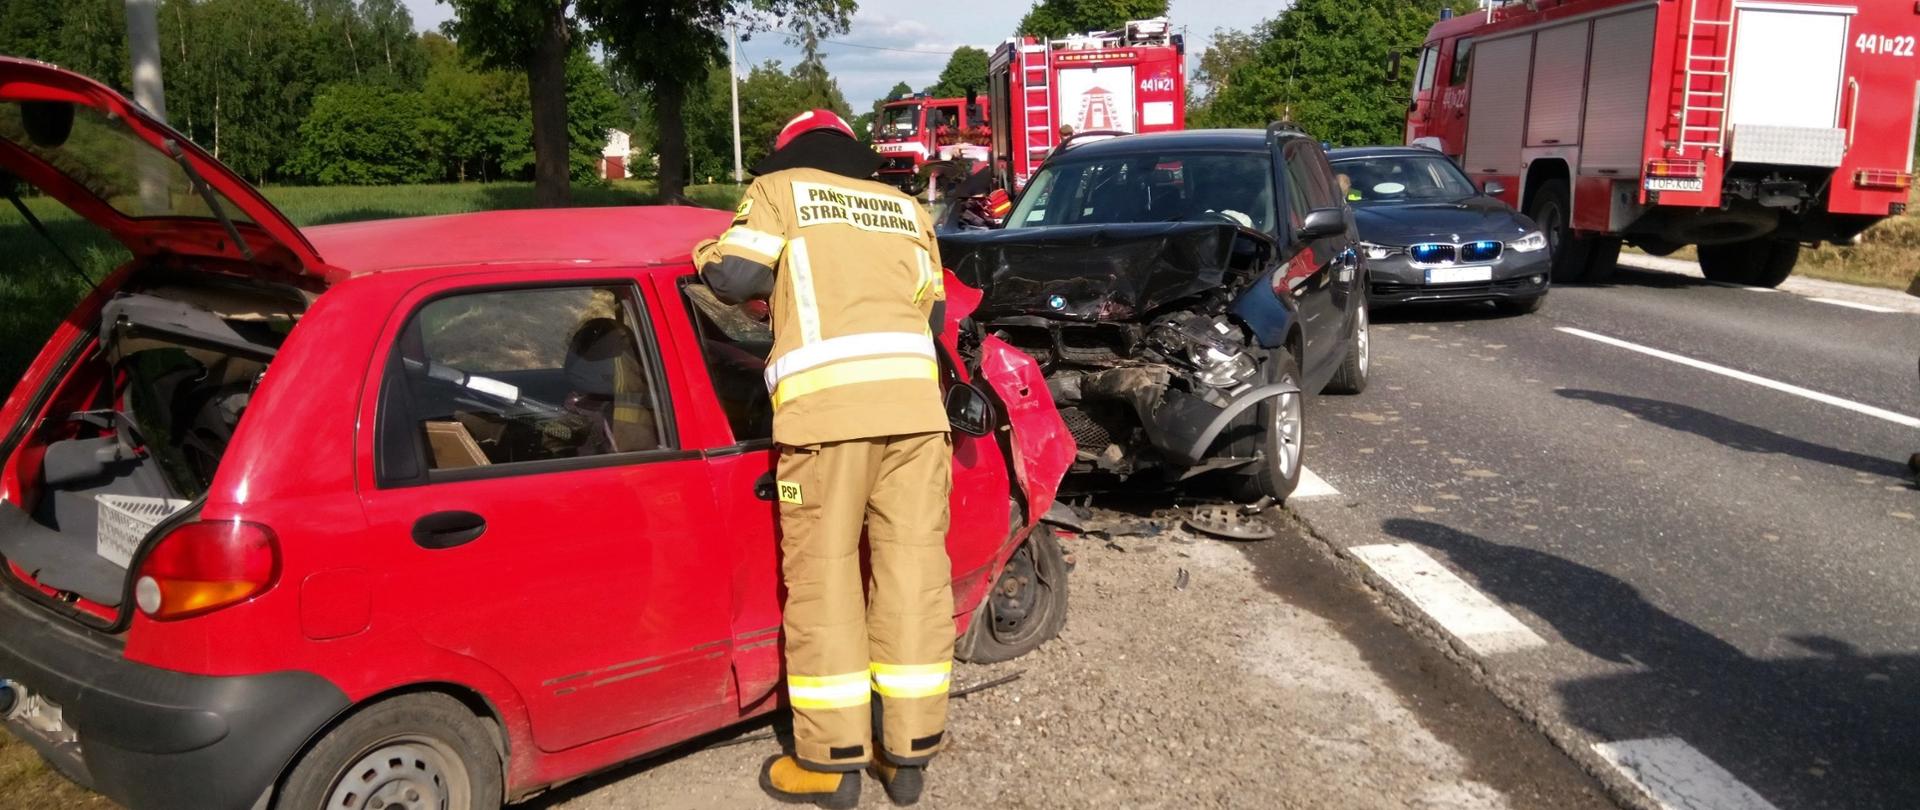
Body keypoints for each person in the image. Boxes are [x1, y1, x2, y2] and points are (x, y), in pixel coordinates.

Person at [694, 109, 954, 809]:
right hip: (916, 419)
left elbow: (734, 273)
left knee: (825, 583)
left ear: (788, 152)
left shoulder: (780, 191)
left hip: (828, 420)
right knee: (913, 578)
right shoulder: (904, 207)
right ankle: (907, 757)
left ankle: (831, 763)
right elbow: (928, 318)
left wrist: (705, 255)